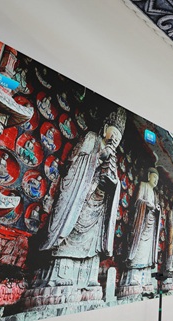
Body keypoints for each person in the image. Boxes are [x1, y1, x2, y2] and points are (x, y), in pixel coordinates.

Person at [38, 108, 125, 292]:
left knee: (92, 241)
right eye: (114, 133)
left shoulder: (114, 156)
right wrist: (99, 157)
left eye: (119, 138)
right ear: (105, 129)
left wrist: (112, 184)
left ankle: (89, 279)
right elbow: (74, 162)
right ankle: (59, 276)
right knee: (70, 228)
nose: (115, 139)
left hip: (97, 204)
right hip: (79, 195)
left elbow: (113, 180)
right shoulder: (92, 138)